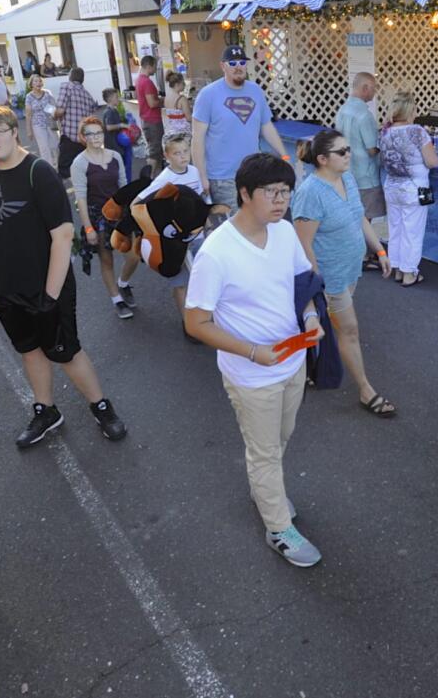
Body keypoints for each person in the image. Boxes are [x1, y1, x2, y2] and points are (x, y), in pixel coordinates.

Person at [0, 105, 128, 447]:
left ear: (15, 130)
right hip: (4, 288)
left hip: (45, 287)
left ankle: (101, 407)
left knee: (66, 352)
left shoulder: (39, 173)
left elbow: (62, 235)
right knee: (29, 351)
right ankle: (46, 411)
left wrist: (50, 297)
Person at [184, 152, 325, 567]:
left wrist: (312, 316)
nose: (281, 201)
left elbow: (302, 283)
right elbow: (196, 322)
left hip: (292, 361)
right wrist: (251, 351)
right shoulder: (216, 252)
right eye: (271, 192)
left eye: (286, 192)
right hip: (250, 373)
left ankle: (266, 490)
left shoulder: (282, 232)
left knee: (280, 438)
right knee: (264, 451)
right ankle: (279, 528)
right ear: (244, 194)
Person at [292, 129, 395, 417]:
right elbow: (303, 244)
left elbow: (358, 216)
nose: (349, 154)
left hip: (350, 270)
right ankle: (365, 390)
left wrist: (380, 250)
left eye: (348, 148)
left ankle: (310, 367)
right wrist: (315, 285)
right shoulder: (310, 193)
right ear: (323, 159)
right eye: (342, 151)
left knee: (327, 327)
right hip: (330, 279)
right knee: (349, 330)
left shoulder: (347, 178)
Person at [192, 45, 288, 229]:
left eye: (242, 62)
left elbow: (266, 126)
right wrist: (201, 176)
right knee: (236, 228)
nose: (238, 66)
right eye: (233, 63)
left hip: (253, 173)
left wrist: (284, 156)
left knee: (257, 221)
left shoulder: (255, 91)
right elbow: (197, 139)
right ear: (223, 66)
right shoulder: (208, 95)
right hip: (222, 177)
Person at [131, 130, 207, 324]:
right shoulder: (165, 179)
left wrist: (205, 223)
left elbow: (200, 202)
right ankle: (187, 323)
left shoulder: (194, 171)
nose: (183, 156)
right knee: (180, 283)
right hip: (175, 244)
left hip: (197, 237)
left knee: (200, 280)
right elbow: (136, 204)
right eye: (177, 153)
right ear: (166, 156)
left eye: (185, 151)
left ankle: (202, 318)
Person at [71, 116, 139, 319]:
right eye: (90, 133)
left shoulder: (114, 156)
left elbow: (124, 187)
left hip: (119, 213)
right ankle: (117, 299)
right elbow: (80, 198)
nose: (95, 137)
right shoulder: (79, 163)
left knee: (133, 256)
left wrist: (134, 213)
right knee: (106, 260)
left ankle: (123, 283)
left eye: (98, 132)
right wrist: (88, 228)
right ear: (83, 137)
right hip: (97, 217)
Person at [379, 92, 438, 286]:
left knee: (396, 229)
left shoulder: (385, 131)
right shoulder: (418, 131)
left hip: (392, 186)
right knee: (413, 231)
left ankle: (396, 269)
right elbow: (431, 161)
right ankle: (409, 272)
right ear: (411, 110)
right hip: (416, 189)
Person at [333, 73, 386, 268]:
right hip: (366, 174)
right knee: (365, 217)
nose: (374, 92)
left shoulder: (342, 110)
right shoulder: (365, 115)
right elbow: (372, 149)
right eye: (373, 88)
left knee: (353, 214)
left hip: (347, 172)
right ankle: (362, 255)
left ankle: (353, 251)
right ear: (365, 88)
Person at [55, 67, 98, 179]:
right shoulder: (88, 95)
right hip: (83, 138)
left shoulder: (66, 87)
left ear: (70, 76)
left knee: (64, 171)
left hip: (69, 136)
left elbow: (60, 111)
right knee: (82, 169)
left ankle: (65, 194)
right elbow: (93, 112)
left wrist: (53, 115)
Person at [135, 56, 164, 179]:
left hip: (146, 119)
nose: (156, 69)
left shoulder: (138, 80)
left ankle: (155, 178)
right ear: (149, 66)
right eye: (154, 66)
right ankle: (148, 179)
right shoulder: (147, 82)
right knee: (154, 152)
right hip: (152, 120)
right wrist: (163, 100)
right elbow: (152, 103)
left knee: (156, 151)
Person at [24, 74, 59, 167]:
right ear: (31, 84)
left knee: (55, 145)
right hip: (38, 124)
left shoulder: (47, 93)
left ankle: (58, 166)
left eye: (39, 81)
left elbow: (55, 107)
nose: (38, 83)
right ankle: (49, 169)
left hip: (50, 123)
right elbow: (28, 114)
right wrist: (29, 130)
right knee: (44, 148)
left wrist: (53, 113)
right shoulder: (29, 97)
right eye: (35, 81)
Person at [99, 87, 133, 182]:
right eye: (116, 97)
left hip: (114, 145)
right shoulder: (110, 112)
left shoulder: (112, 110)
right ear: (110, 99)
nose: (118, 99)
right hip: (113, 146)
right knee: (119, 168)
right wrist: (122, 125)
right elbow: (109, 127)